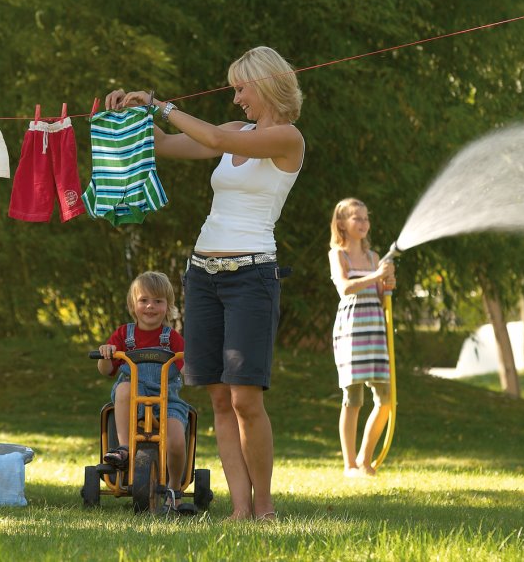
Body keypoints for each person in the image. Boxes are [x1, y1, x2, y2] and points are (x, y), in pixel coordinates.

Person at [105, 46, 304, 521]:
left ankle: (264, 505)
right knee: (217, 396)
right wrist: (130, 115)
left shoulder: (288, 138)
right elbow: (164, 144)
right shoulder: (237, 132)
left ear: (266, 83)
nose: (236, 99)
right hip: (203, 277)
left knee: (245, 398)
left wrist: (163, 105)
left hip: (252, 276)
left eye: (241, 88)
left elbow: (212, 137)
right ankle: (239, 509)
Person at [96, 271, 189, 514]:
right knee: (124, 387)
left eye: (158, 301)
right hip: (133, 399)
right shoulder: (124, 335)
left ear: (167, 306)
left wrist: (192, 363)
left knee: (177, 440)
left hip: (167, 398)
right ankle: (124, 448)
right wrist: (106, 353)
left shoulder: (172, 339)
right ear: (132, 305)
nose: (150, 306)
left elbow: (186, 370)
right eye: (144, 300)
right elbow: (105, 370)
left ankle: (174, 489)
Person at [328, 197, 396, 477]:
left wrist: (387, 285)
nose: (363, 223)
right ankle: (349, 465)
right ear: (341, 223)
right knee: (352, 398)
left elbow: (381, 297)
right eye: (357, 218)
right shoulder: (338, 254)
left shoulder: (373, 257)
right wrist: (376, 277)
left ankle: (365, 461)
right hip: (351, 330)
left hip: (375, 329)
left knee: (386, 398)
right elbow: (344, 288)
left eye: (366, 218)